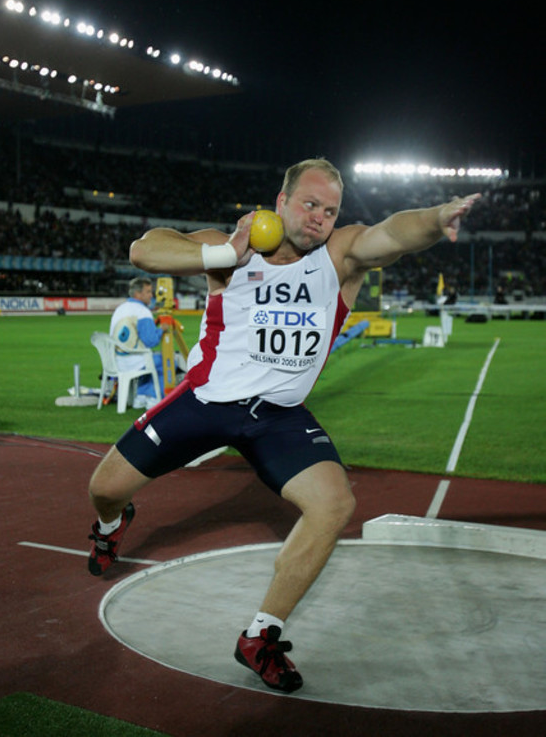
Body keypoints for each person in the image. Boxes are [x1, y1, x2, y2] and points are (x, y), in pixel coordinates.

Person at [88, 158, 480, 693]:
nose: (319, 217)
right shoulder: (232, 248)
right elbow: (145, 248)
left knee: (334, 504)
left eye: (330, 209)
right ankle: (112, 525)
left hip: (278, 414)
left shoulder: (340, 257)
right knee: (103, 488)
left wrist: (438, 217)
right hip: (207, 401)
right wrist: (225, 253)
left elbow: (393, 233)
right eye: (309, 204)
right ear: (281, 202)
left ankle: (260, 636)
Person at [110, 277, 167, 409]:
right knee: (167, 362)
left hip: (117, 361)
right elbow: (151, 341)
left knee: (150, 360)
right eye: (148, 292)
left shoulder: (120, 309)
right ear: (138, 294)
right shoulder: (142, 311)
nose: (151, 295)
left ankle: (141, 397)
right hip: (134, 361)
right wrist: (161, 330)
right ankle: (153, 398)